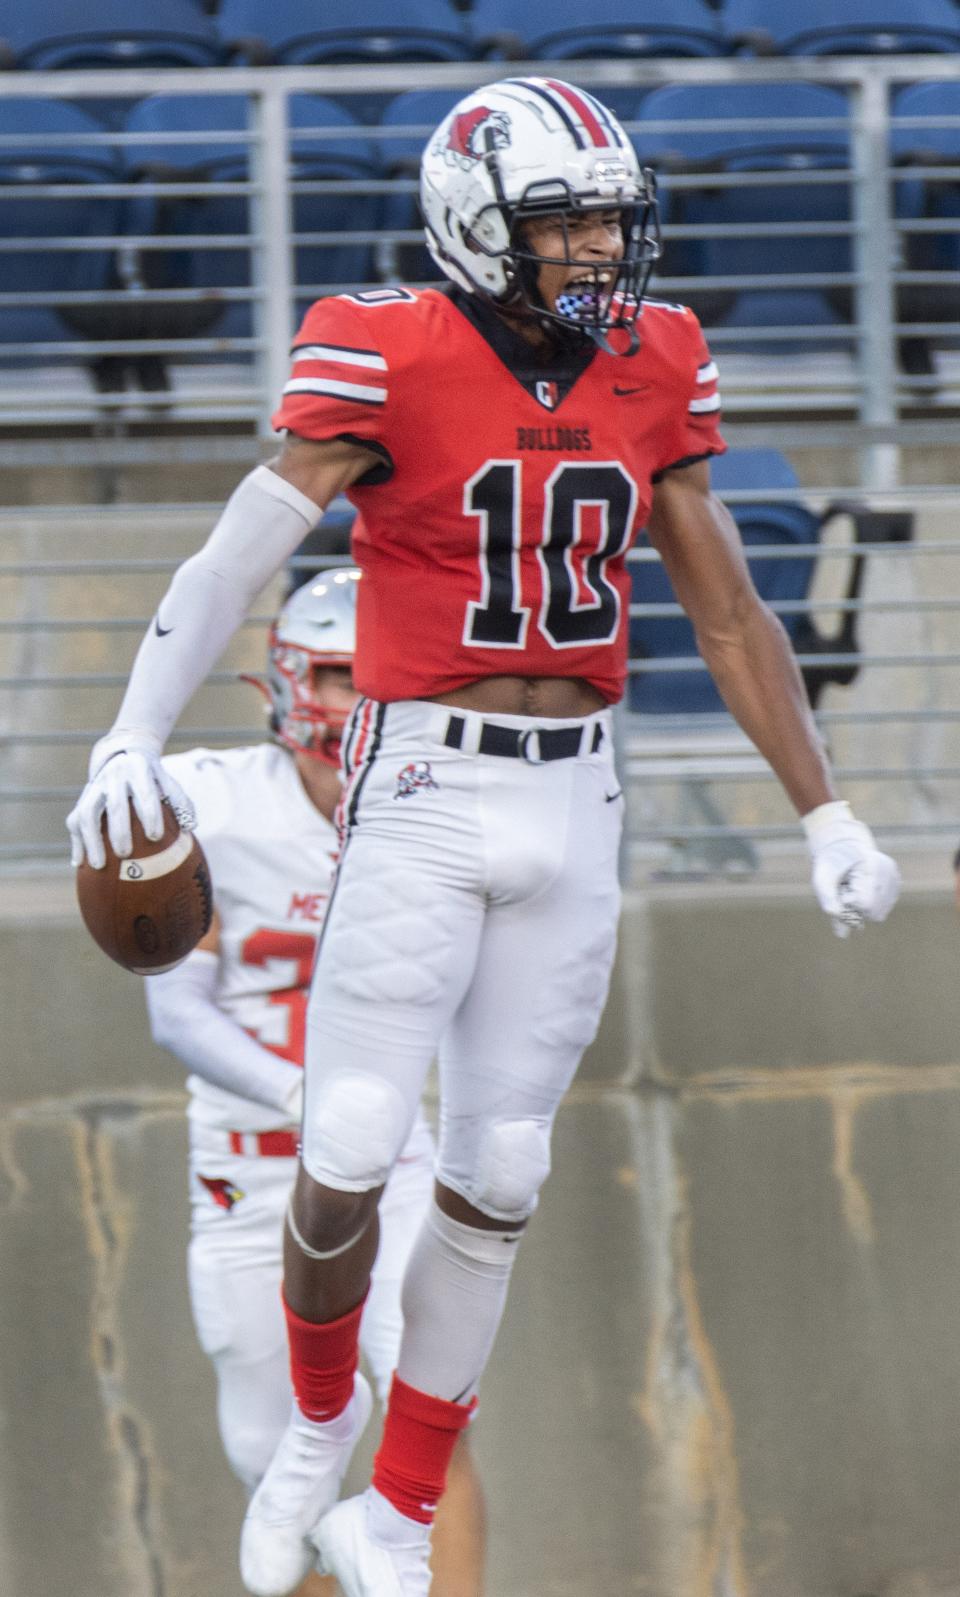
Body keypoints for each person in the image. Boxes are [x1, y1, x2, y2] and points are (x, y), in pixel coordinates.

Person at [67, 75, 901, 1597]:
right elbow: (236, 545)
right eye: (564, 221)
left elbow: (725, 607)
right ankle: (324, 1428)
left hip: (577, 788)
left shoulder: (661, 358)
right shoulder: (379, 347)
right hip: (428, 777)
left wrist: (824, 805)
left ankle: (401, 1495)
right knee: (354, 1142)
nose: (598, 251)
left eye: (608, 221)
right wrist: (129, 725)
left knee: (502, 1168)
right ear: (474, 223)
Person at [142, 571, 485, 1597]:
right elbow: (175, 1012)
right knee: (277, 1458)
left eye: (380, 675)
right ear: (291, 679)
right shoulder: (214, 801)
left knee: (434, 1421)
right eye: (341, 674)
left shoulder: (443, 810)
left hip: (393, 1164)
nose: (360, 696)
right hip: (250, 1172)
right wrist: (307, 1100)